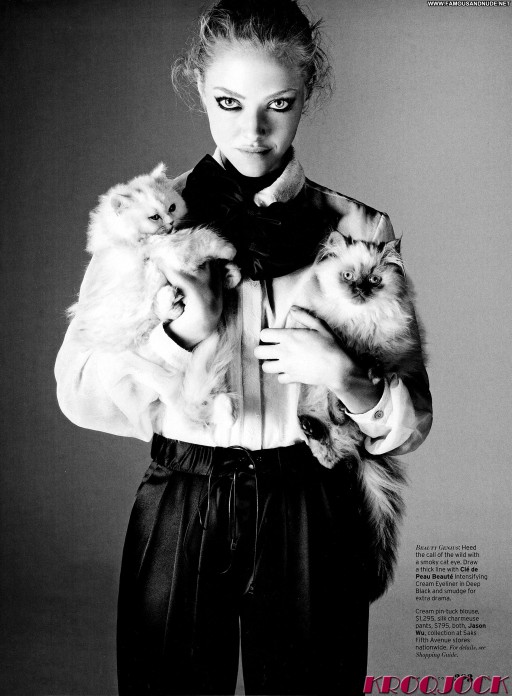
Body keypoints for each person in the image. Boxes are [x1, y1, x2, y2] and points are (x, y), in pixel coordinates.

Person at [55, 0, 432, 694]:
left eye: (277, 104)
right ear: (200, 88)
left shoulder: (358, 228)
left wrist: (347, 378)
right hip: (182, 498)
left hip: (312, 506)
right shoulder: (148, 218)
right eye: (229, 102)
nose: (252, 131)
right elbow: (79, 395)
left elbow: (410, 424)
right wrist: (182, 337)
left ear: (306, 93)